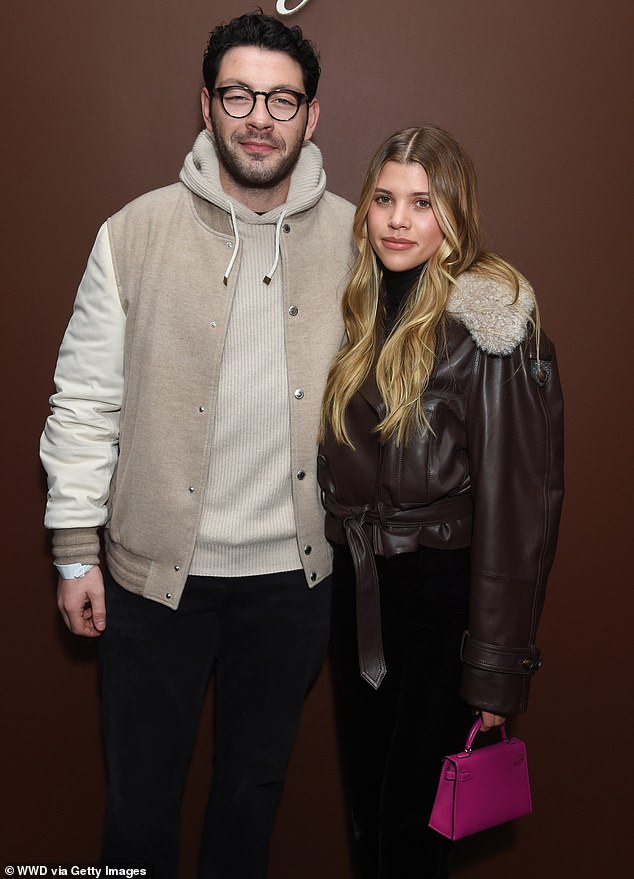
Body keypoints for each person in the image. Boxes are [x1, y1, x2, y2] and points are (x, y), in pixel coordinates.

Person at [40, 11, 354, 879]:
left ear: (311, 116)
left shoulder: (359, 240)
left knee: (251, 796)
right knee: (139, 804)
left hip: (293, 582)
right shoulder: (131, 234)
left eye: (282, 99)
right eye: (240, 94)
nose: (261, 115)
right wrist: (74, 550)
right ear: (207, 105)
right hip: (152, 583)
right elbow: (84, 401)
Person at [317, 125, 564, 878]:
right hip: (360, 605)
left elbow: (521, 511)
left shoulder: (494, 324)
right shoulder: (362, 305)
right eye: (384, 198)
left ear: (454, 213)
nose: (398, 219)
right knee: (368, 821)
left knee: (410, 842)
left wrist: (494, 676)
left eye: (422, 203)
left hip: (443, 611)